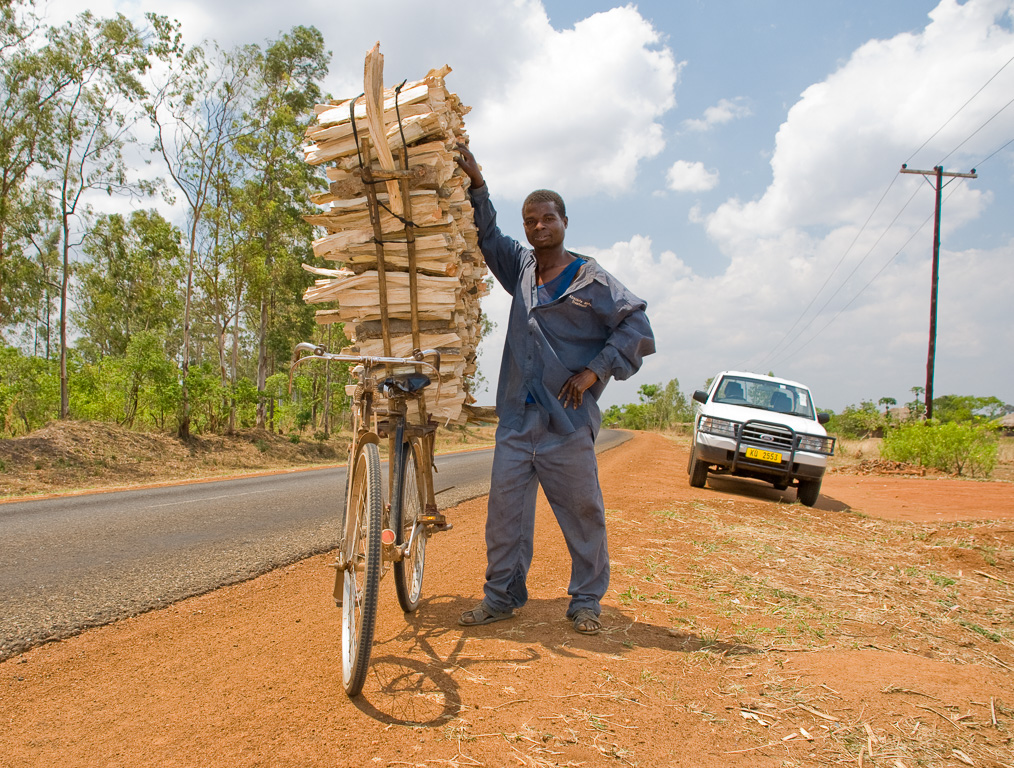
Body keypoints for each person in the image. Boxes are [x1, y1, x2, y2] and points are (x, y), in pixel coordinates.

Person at [454, 143, 655, 635]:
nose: (539, 226)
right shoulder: (520, 270)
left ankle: (586, 601)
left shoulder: (592, 279)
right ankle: (501, 597)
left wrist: (594, 372)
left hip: (566, 425)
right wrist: (478, 184)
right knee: (505, 517)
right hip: (517, 422)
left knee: (583, 515)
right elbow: (487, 235)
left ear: (565, 221)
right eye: (531, 220)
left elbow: (636, 326)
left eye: (547, 218)